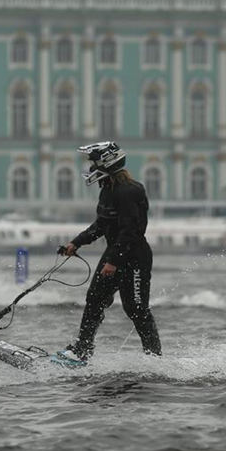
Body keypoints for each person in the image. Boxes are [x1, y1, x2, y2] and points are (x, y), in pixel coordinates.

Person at [57, 141, 162, 365]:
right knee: (94, 300)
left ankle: (155, 358)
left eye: (94, 162)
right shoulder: (108, 189)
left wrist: (113, 262)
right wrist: (76, 243)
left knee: (135, 308)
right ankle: (82, 350)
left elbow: (130, 231)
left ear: (107, 162)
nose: (91, 167)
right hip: (114, 255)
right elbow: (101, 225)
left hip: (134, 257)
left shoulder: (129, 191)